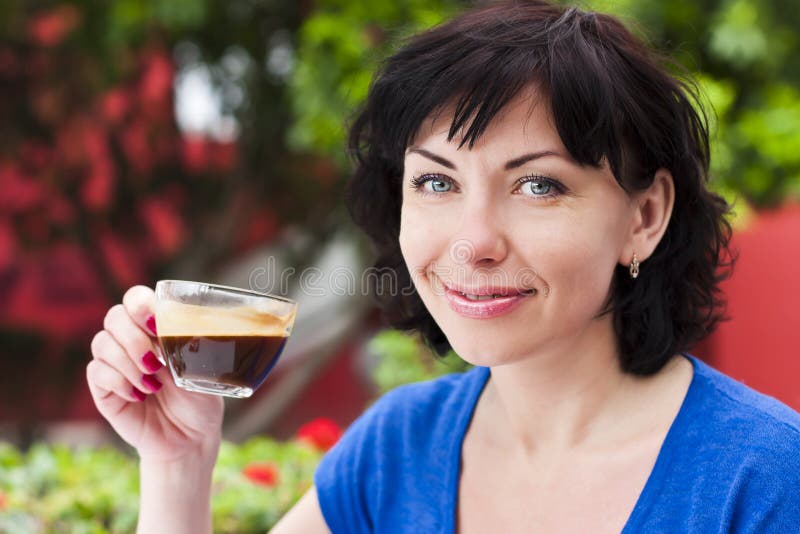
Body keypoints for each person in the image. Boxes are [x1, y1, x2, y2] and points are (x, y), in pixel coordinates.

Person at [86, 1, 800, 532]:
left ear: (643, 217)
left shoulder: (761, 478)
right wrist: (178, 463)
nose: (472, 241)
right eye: (436, 182)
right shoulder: (397, 449)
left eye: (538, 185)